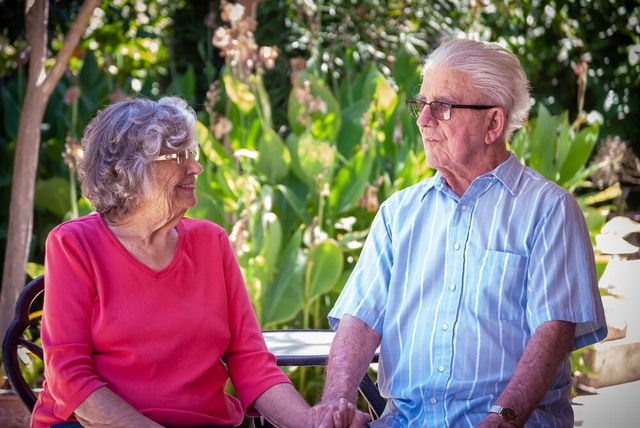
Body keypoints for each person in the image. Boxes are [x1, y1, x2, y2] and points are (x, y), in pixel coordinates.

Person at [314, 38, 607, 427]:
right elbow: (360, 321)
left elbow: (553, 334)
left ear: (493, 124)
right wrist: (336, 402)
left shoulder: (549, 210)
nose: (422, 120)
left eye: (443, 107)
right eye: (421, 105)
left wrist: (501, 419)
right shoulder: (398, 214)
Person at [31, 96, 369, 428]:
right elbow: (69, 378)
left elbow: (249, 361)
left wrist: (311, 423)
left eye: (192, 152)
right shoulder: (74, 245)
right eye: (178, 156)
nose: (196, 166)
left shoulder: (211, 242)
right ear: (131, 171)